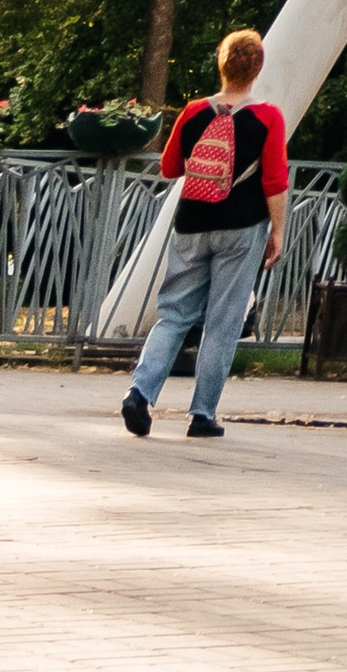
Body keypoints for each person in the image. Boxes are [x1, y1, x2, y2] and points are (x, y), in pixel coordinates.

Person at [122, 26, 290, 441]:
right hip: (242, 227)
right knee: (222, 322)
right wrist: (278, 231)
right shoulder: (267, 116)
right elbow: (274, 181)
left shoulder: (195, 111)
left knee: (174, 314)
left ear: (221, 64)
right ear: (259, 67)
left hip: (192, 223)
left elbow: (168, 168)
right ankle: (201, 415)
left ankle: (140, 394)